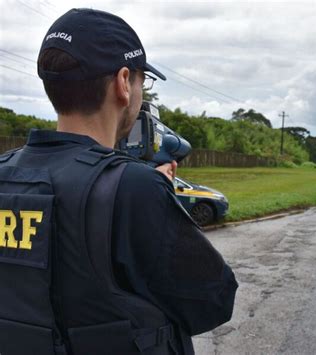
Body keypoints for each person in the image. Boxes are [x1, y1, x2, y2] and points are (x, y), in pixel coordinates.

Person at [0, 8, 237, 355]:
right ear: (123, 82)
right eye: (144, 81)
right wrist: (153, 195)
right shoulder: (134, 189)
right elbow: (213, 300)